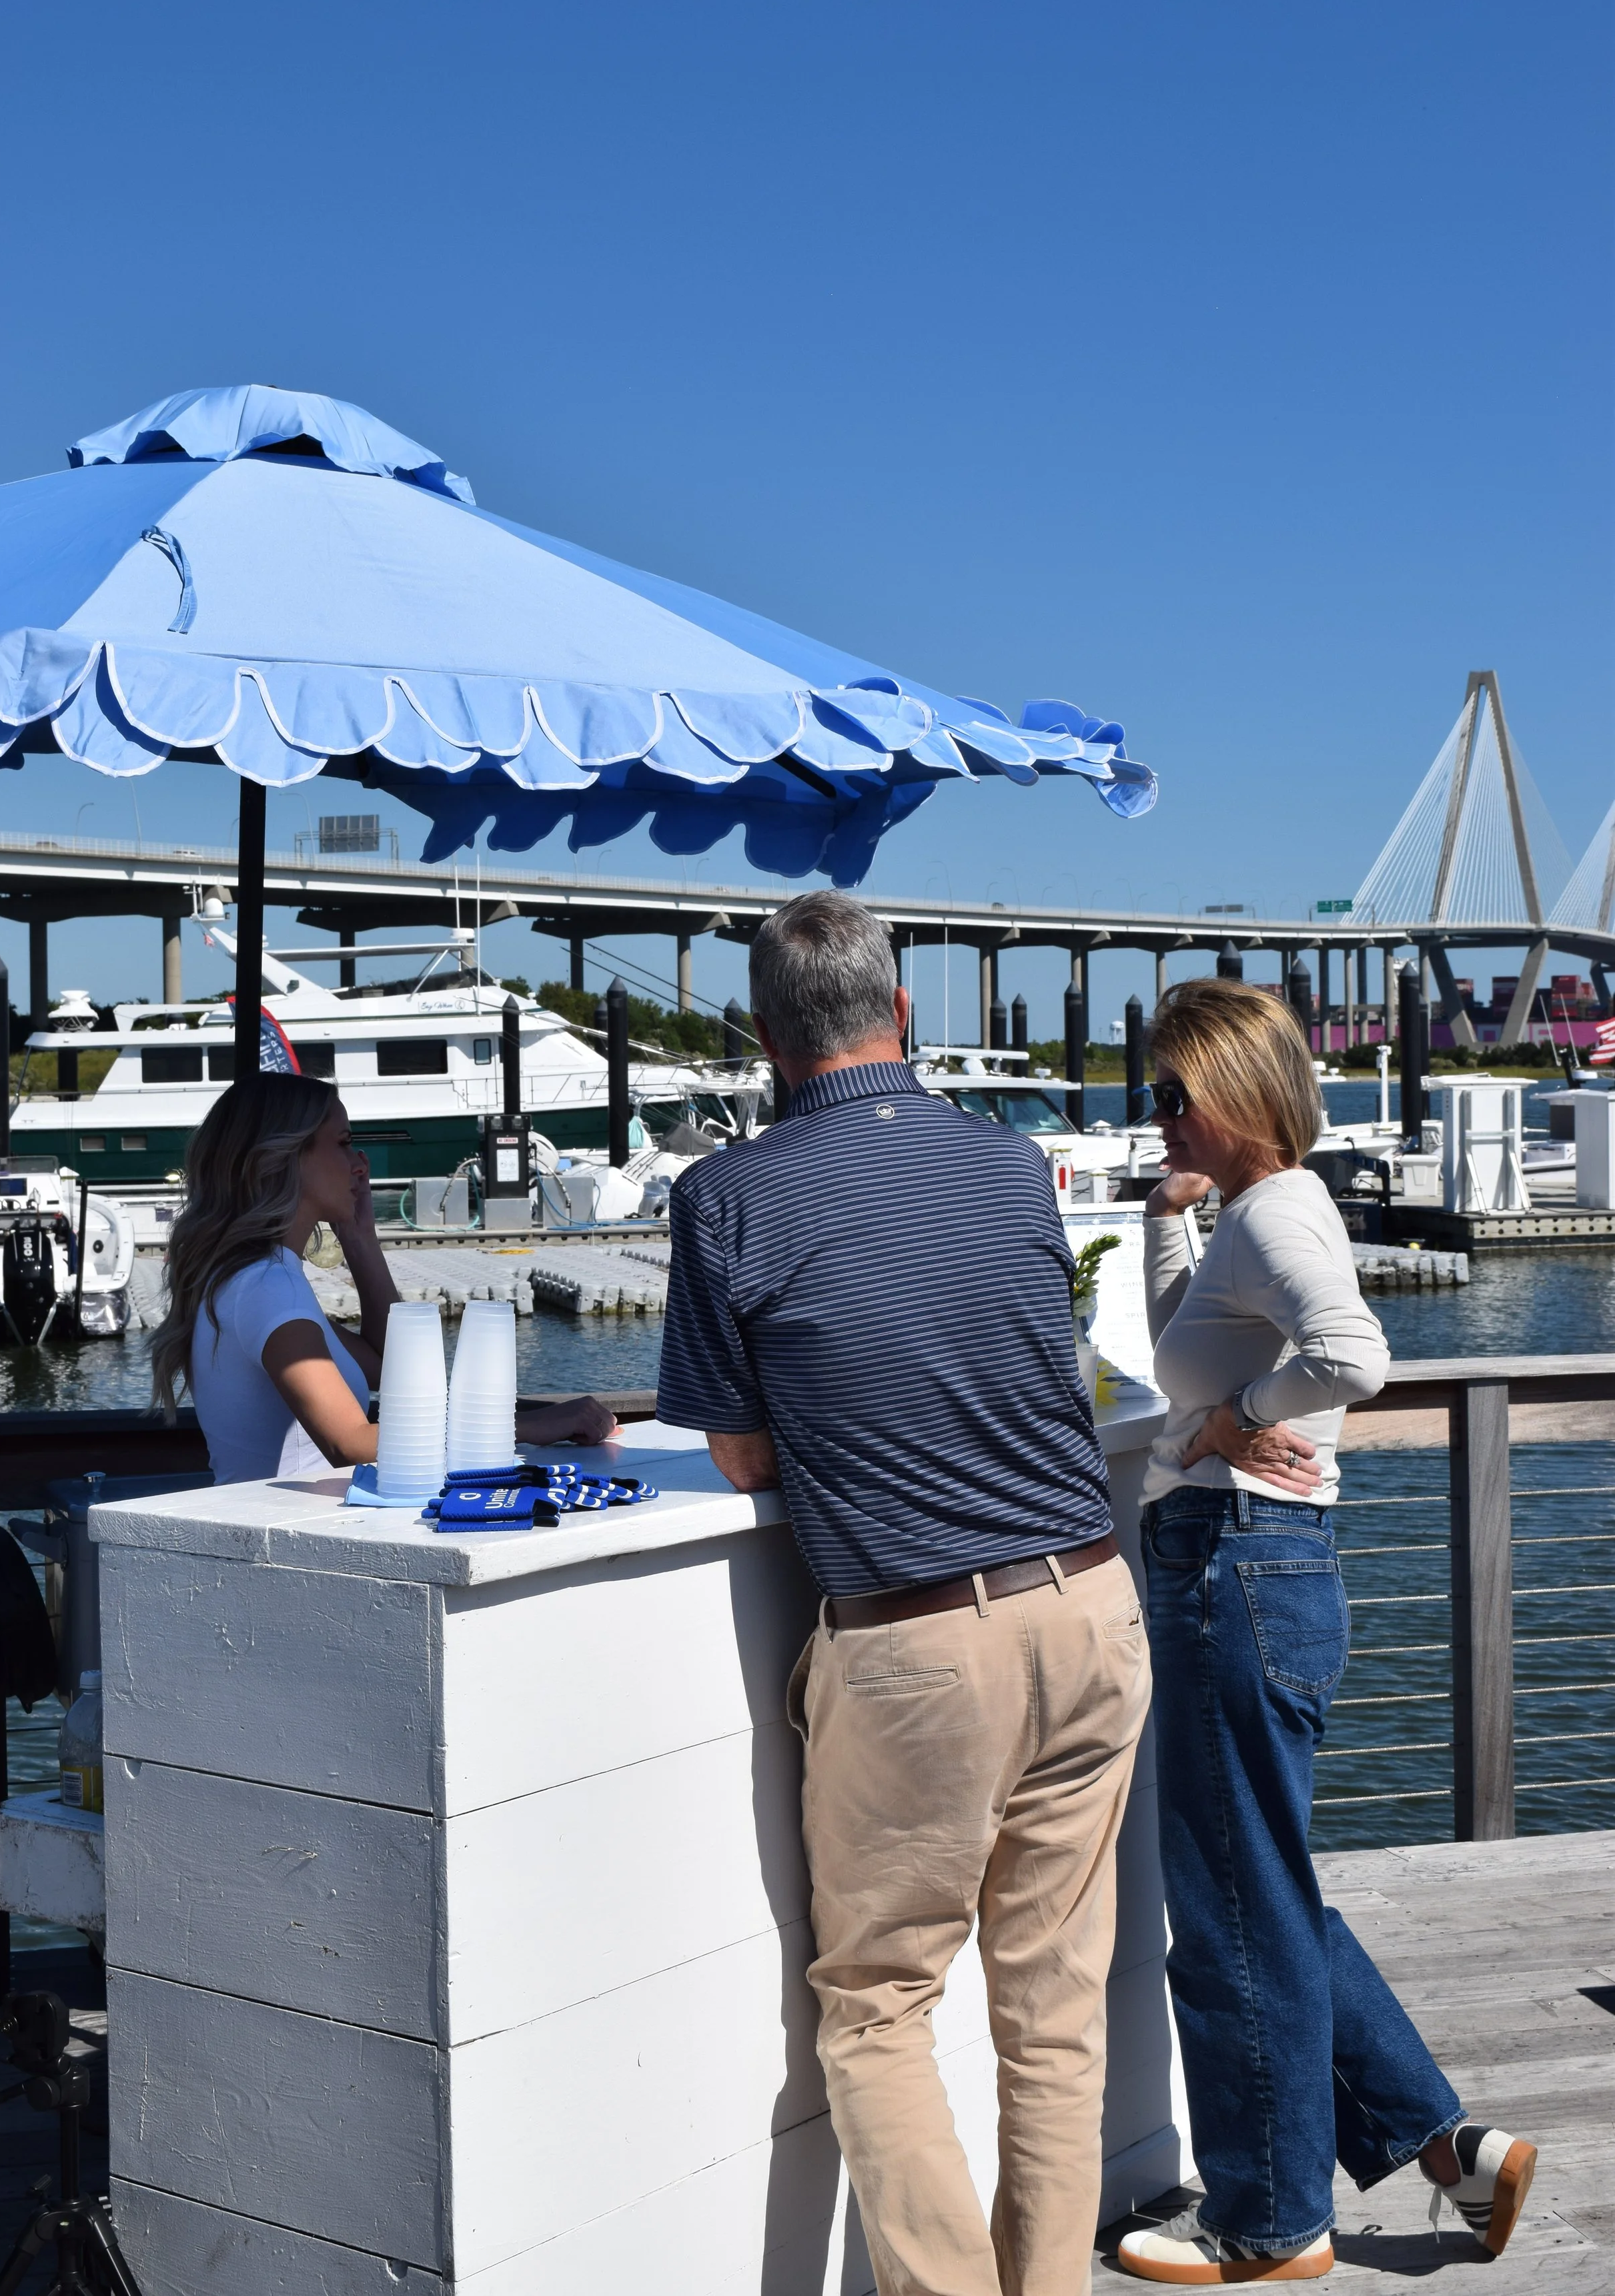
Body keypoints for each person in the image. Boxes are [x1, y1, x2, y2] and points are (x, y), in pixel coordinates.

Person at [656, 890, 1149, 2296]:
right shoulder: (1009, 1164)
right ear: (905, 1013)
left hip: (918, 1642)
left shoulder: (725, 1197)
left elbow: (743, 1454)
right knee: (1054, 2009)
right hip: (1090, 1603)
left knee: (876, 2007)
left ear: (764, 1037)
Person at [1116, 981, 1536, 2284]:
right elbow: (1182, 1348)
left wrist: (1234, 1418)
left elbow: (1353, 1356)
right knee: (1263, 1890)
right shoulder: (1251, 1215)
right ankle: (1447, 2146)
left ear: (1236, 1093)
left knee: (1227, 1913)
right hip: (1254, 1568)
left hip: (1231, 1568)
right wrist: (1164, 1219)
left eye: (1171, 1095)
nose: (1155, 1114)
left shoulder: (1279, 1212)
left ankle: (1269, 2222)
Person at [150, 1071, 614, 1480]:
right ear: (286, 1158)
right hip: (286, 1535)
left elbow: (391, 1367)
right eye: (343, 1143)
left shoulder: (251, 1278)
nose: (360, 1164)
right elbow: (349, 1443)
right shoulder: (267, 1286)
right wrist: (530, 1425)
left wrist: (359, 1237)